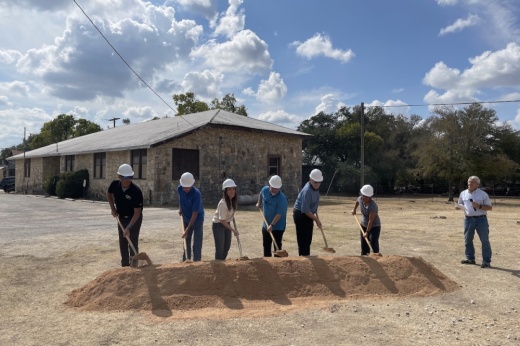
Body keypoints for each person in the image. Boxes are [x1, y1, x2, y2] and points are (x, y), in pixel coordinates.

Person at [107, 163, 144, 267]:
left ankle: (134, 265)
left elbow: (137, 213)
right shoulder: (114, 185)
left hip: (134, 219)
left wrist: (129, 227)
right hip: (121, 217)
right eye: (126, 177)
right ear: (119, 177)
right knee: (123, 242)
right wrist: (113, 208)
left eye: (130, 177)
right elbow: (109, 194)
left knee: (132, 241)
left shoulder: (136, 191)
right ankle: (125, 266)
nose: (128, 180)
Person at [456, 175, 493, 268]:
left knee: (484, 240)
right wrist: (458, 206)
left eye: (472, 182)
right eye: (468, 181)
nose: (469, 183)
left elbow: (490, 207)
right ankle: (470, 259)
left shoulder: (483, 194)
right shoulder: (463, 193)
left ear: (477, 184)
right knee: (467, 240)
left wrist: (479, 206)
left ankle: (486, 261)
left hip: (481, 219)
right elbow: (460, 203)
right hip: (468, 220)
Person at [293, 169, 323, 256]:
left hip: (309, 214)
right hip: (300, 214)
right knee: (303, 239)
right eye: (315, 182)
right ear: (310, 180)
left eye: (319, 182)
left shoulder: (315, 188)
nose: (317, 184)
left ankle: (307, 256)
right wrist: (316, 220)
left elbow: (313, 204)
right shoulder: (307, 191)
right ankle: (303, 258)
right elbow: (305, 210)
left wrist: (315, 215)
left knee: (308, 238)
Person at [257, 175, 289, 257]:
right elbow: (261, 194)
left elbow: (279, 214)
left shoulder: (282, 199)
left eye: (276, 188)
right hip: (266, 224)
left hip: (278, 226)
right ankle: (267, 266)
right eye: (273, 187)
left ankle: (277, 265)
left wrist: (272, 225)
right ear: (269, 185)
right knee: (266, 246)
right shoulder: (265, 190)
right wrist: (259, 203)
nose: (274, 190)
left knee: (277, 247)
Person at [178, 172, 205, 261]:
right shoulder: (179, 189)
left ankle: (197, 262)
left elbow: (195, 214)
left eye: (188, 187)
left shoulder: (196, 194)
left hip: (197, 219)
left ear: (192, 184)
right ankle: (186, 260)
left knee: (197, 243)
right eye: (184, 186)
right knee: (186, 240)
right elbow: (181, 199)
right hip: (186, 218)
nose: (186, 188)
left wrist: (187, 229)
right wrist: (180, 208)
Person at [212, 179, 239, 260]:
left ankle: (223, 265)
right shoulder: (223, 203)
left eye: (233, 189)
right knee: (220, 248)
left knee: (227, 247)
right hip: (218, 225)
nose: (232, 191)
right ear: (225, 191)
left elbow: (230, 215)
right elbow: (222, 220)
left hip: (227, 223)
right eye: (230, 189)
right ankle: (218, 265)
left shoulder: (233, 201)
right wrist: (233, 230)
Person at [351, 184, 381, 256]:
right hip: (363, 224)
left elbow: (371, 220)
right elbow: (357, 202)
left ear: (370, 197)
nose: (364, 198)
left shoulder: (373, 206)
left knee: (373, 242)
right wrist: (354, 210)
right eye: (363, 195)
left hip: (374, 226)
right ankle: (364, 257)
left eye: (366, 197)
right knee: (364, 244)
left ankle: (376, 256)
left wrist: (367, 232)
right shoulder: (360, 199)